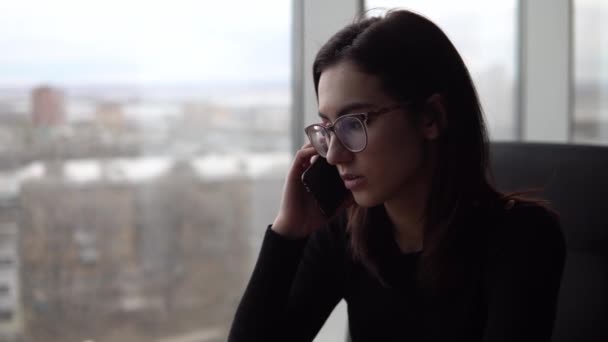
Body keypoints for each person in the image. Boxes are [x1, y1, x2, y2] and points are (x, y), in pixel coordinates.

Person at [228, 9, 566, 342]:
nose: (333, 154)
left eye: (354, 123)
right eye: (329, 129)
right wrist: (288, 233)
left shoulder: (523, 238)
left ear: (431, 117)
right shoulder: (345, 233)